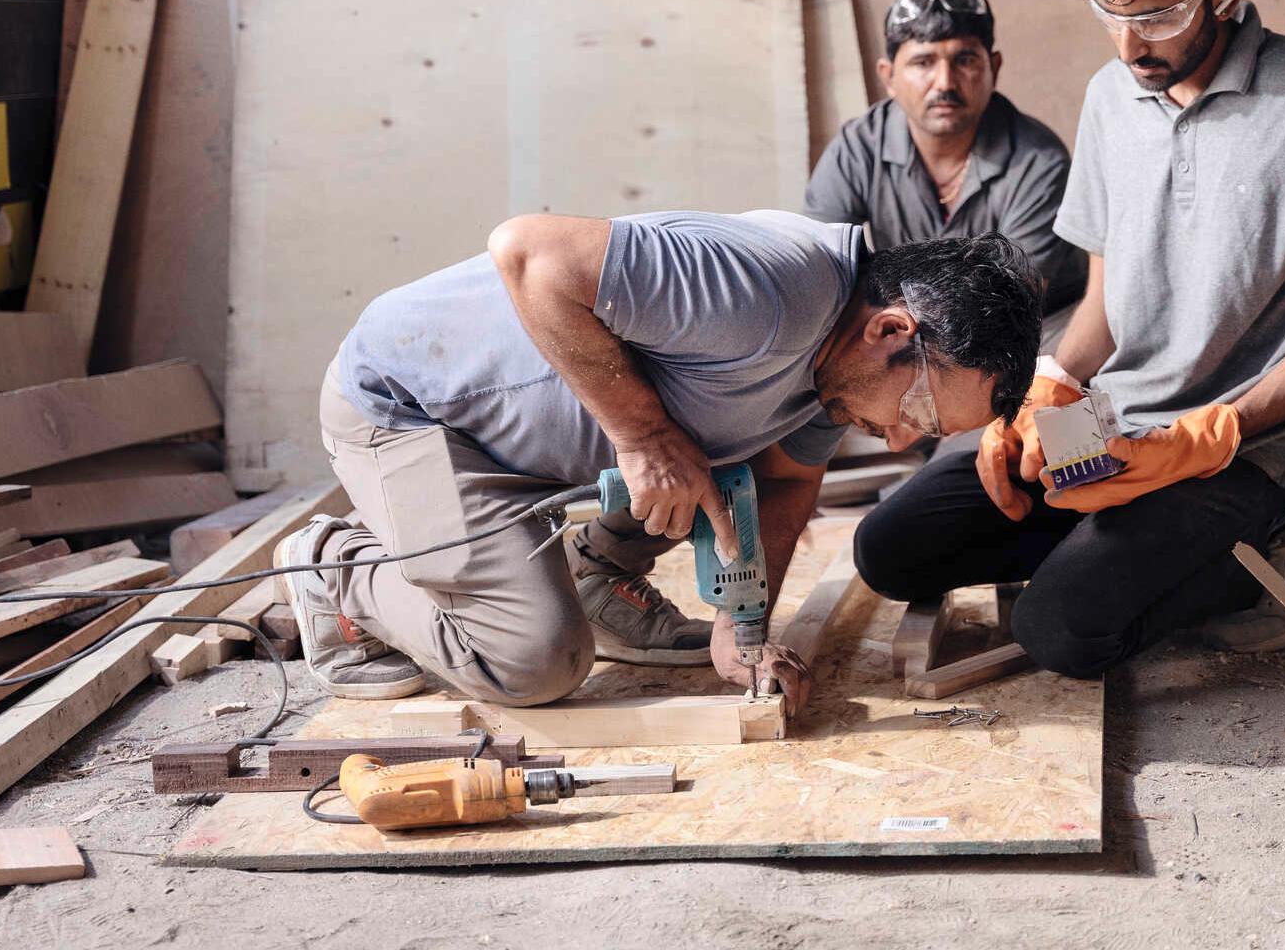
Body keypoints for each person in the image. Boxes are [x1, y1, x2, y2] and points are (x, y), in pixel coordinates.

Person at [853, 0, 1285, 676]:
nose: (1131, 46)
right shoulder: (1111, 96)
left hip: (1245, 446)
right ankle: (1119, 551)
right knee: (889, 550)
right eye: (1111, 15)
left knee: (1064, 633)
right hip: (1116, 424)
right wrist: (1038, 390)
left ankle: (1272, 553)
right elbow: (1106, 308)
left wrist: (1217, 432)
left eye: (1158, 17)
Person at [275, 211, 1042, 714]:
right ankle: (331, 563)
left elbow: (785, 482)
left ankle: (596, 573)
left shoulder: (834, 373)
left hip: (533, 444)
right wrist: (643, 439)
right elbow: (526, 252)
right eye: (919, 413)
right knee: (531, 663)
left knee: (710, 459)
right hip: (415, 409)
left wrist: (741, 625)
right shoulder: (768, 290)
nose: (902, 441)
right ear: (889, 330)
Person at [806, 0, 1085, 326]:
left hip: (1030, 329)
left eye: (964, 59)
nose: (945, 83)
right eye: (923, 62)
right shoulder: (858, 147)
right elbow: (818, 268)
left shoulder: (1038, 160)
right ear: (889, 77)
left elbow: (1012, 299)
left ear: (994, 68)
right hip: (905, 323)